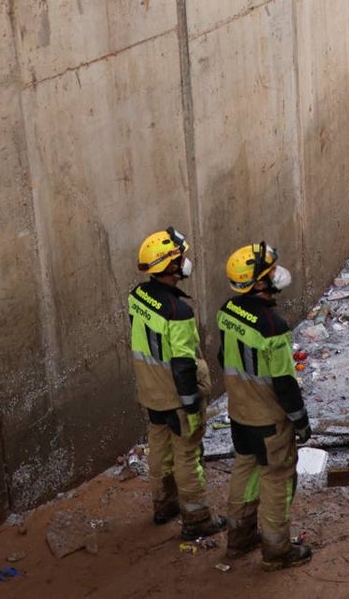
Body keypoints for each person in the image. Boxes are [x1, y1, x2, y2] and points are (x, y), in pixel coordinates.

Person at [216, 242, 313, 570]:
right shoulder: (273, 327)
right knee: (277, 479)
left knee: (244, 469)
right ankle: (276, 551)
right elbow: (284, 381)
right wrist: (300, 420)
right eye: (269, 272)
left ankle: (239, 538)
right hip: (269, 419)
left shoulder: (228, 311)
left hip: (239, 414)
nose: (276, 275)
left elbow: (222, 357)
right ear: (258, 283)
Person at [129, 228, 225, 539]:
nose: (185, 261)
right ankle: (196, 518)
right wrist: (191, 407)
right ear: (170, 266)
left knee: (158, 448)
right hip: (176, 394)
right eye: (180, 257)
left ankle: (163, 505)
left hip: (149, 389)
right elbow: (183, 363)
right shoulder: (178, 311)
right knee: (187, 455)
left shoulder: (137, 296)